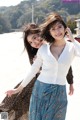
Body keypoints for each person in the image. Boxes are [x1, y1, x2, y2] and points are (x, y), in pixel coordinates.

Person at [5, 12, 79, 120]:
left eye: (59, 27)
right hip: (41, 89)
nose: (57, 31)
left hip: (59, 92)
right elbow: (33, 70)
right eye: (53, 29)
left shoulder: (72, 47)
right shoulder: (43, 49)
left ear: (65, 28)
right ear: (49, 31)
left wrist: (73, 39)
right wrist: (18, 89)